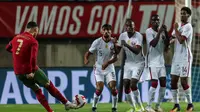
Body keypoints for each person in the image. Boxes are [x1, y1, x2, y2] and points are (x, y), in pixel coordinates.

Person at [5, 21, 78, 112]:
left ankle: (50, 111)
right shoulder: (32, 41)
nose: (37, 34)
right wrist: (31, 71)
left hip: (18, 72)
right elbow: (33, 58)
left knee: (37, 90)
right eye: (37, 31)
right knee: (48, 85)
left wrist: (18, 54)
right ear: (35, 30)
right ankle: (66, 104)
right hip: (30, 69)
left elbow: (7, 48)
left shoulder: (16, 38)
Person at [84, 24, 118, 112]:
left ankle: (114, 107)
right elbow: (88, 53)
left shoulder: (114, 42)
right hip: (99, 68)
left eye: (108, 30)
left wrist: (107, 63)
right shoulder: (97, 42)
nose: (106, 31)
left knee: (113, 87)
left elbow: (116, 57)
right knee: (100, 88)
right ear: (102, 31)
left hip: (109, 67)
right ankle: (94, 106)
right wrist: (86, 59)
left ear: (111, 31)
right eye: (104, 30)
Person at [115, 19, 145, 111]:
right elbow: (117, 51)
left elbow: (137, 51)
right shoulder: (122, 36)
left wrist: (126, 45)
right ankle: (134, 108)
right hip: (128, 63)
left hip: (139, 62)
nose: (129, 27)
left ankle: (141, 107)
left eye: (131, 26)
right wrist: (114, 45)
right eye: (127, 26)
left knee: (133, 84)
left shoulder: (138, 36)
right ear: (125, 27)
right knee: (126, 84)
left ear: (134, 27)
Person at [170, 7, 193, 112]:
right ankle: (176, 105)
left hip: (185, 57)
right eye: (181, 13)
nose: (182, 15)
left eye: (184, 13)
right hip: (176, 57)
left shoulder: (188, 27)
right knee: (173, 81)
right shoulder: (179, 25)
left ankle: (190, 104)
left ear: (188, 15)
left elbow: (181, 40)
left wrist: (175, 29)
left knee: (184, 81)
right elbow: (173, 38)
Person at [145, 14, 170, 112]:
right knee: (154, 83)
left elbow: (167, 45)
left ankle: (157, 106)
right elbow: (153, 44)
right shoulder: (148, 31)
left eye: (158, 20)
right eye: (154, 20)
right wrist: (160, 32)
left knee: (163, 85)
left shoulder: (162, 32)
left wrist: (166, 33)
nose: (156, 22)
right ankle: (148, 106)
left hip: (161, 61)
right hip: (152, 62)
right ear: (151, 22)